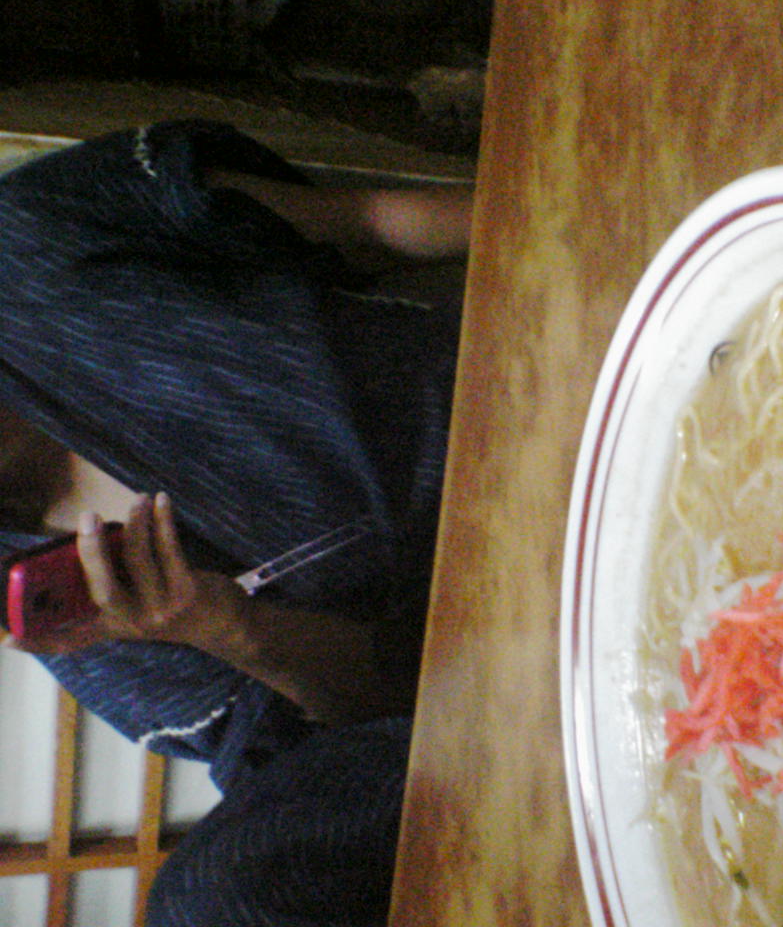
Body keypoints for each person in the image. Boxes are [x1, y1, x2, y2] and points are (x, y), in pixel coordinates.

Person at [0, 119, 471, 926]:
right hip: (471, 666)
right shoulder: (85, 633)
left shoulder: (24, 244)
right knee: (209, 907)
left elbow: (365, 223)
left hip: (499, 415)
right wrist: (227, 629)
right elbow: (384, 717)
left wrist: (595, 238)